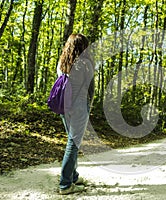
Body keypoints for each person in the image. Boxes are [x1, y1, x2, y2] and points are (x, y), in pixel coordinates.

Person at [57, 33, 94, 195]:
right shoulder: (85, 63)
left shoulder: (62, 63)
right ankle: (65, 184)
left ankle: (73, 176)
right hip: (79, 105)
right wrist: (89, 106)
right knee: (73, 144)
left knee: (72, 142)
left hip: (64, 105)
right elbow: (91, 89)